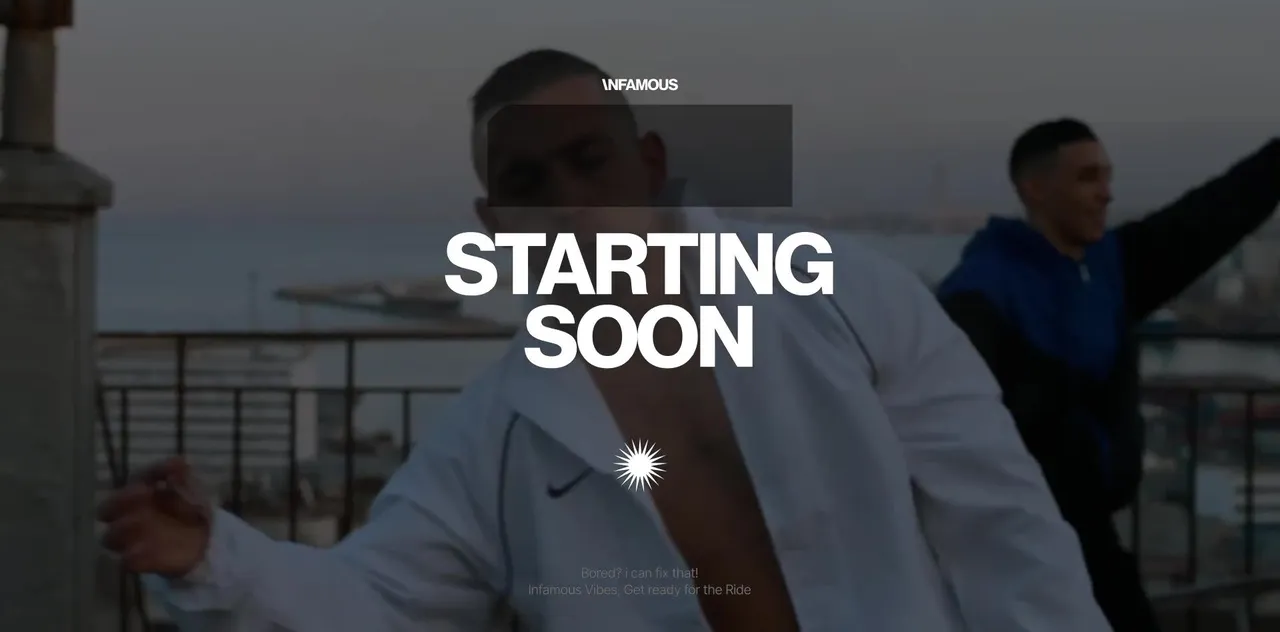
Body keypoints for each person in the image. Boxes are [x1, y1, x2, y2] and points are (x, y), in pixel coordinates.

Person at [99, 50, 1111, 631]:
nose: (570, 204)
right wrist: (214, 556)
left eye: (592, 162)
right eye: (528, 185)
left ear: (651, 164)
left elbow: (1004, 527)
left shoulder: (843, 298)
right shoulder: (498, 435)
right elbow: (376, 597)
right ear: (496, 221)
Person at [936, 118, 1280, 631]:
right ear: (1035, 189)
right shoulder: (982, 292)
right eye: (1087, 178)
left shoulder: (1108, 268)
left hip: (1088, 530)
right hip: (1016, 539)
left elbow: (1214, 213)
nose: (1106, 193)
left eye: (1107, 176)